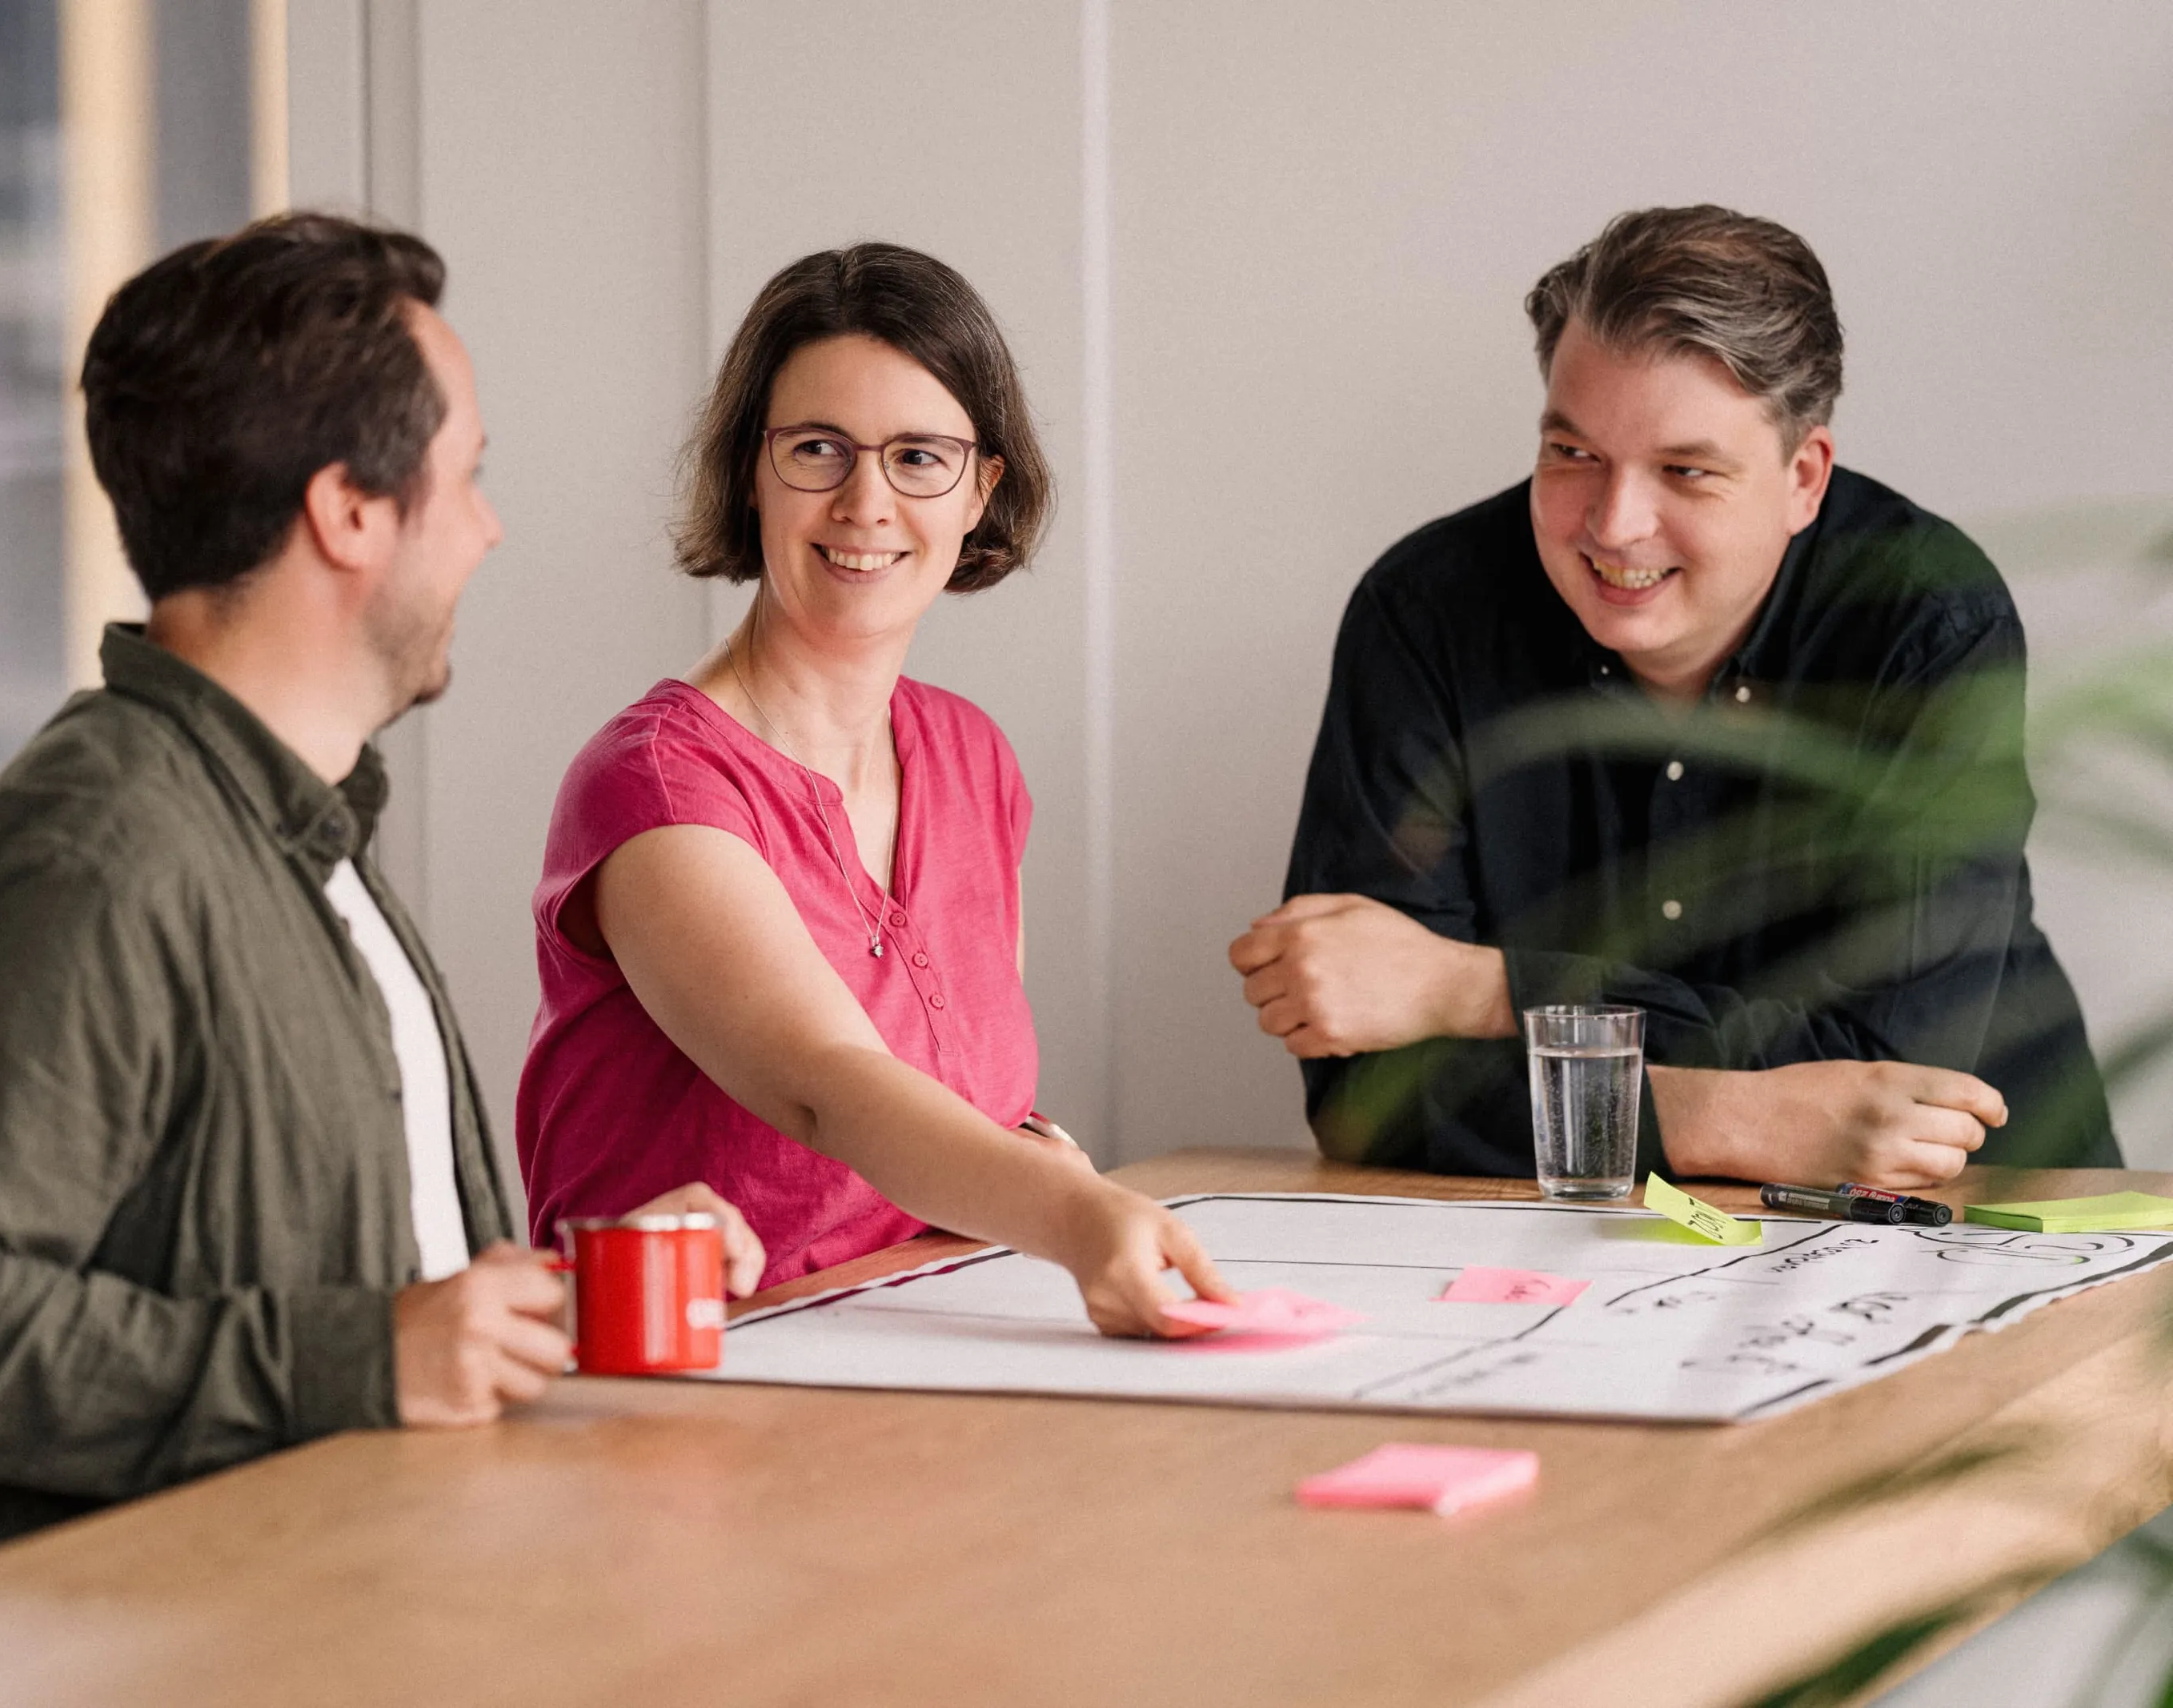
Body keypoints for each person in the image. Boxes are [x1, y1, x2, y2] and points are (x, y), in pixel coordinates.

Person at [0, 213, 762, 1582]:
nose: (487, 529)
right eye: (467, 477)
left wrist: (556, 1295)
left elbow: (348, 1303)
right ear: (348, 508)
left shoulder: (307, 843)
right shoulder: (96, 855)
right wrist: (361, 1353)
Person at [1233, 205, 2119, 1188]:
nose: (1613, 525)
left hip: (1975, 1220)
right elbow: (1366, 1093)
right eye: (1572, 455)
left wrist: (1479, 990)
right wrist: (1728, 1119)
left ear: (1802, 478)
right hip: (1566, 1256)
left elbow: (1886, 1068)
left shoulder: (1925, 619)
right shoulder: (1424, 613)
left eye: (1684, 470)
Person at [519, 243, 1229, 1334]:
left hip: (906, 1349)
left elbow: (967, 1105)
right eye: (817, 449)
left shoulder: (971, 757)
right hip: (686, 1374)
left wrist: (1023, 1157)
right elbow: (824, 1084)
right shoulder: (656, 782)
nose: (866, 502)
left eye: (918, 457)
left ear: (982, 489)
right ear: (750, 471)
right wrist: (1075, 1212)